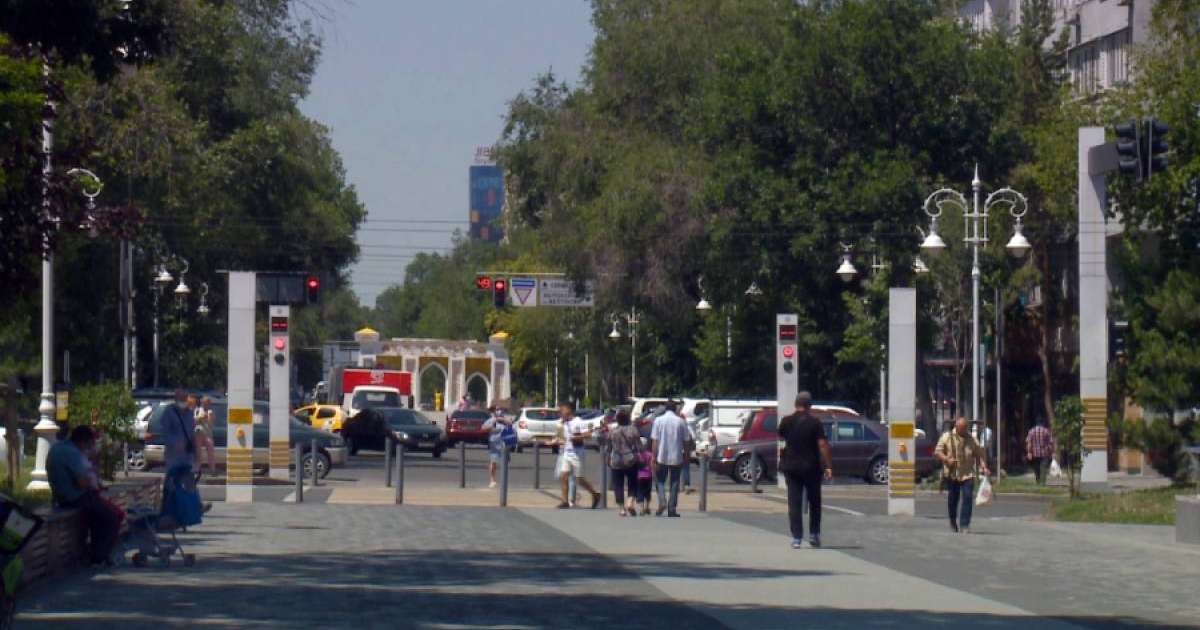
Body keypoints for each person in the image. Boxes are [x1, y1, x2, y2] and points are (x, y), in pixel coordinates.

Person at [47, 426, 121, 566]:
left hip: (61, 497)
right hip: (75, 498)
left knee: (98, 516)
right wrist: (93, 479)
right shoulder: (72, 453)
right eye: (89, 444)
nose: (89, 448)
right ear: (83, 442)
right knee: (113, 517)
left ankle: (94, 553)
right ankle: (99, 557)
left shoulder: (58, 447)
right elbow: (82, 482)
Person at [778, 392, 833, 549]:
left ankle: (796, 538)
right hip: (811, 467)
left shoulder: (786, 421)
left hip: (791, 466)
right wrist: (828, 465)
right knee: (814, 501)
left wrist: (784, 457)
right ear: (809, 406)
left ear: (796, 404)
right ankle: (814, 534)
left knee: (794, 502)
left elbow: (781, 441)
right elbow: (822, 444)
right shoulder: (815, 423)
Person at [935, 417, 991, 534]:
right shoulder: (947, 437)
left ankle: (965, 524)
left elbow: (979, 455)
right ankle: (952, 522)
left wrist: (984, 467)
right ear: (956, 427)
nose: (964, 431)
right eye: (961, 428)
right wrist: (947, 459)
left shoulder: (972, 439)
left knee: (968, 497)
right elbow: (938, 451)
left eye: (965, 428)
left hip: (967, 474)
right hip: (953, 473)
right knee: (953, 499)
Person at [553, 402, 601, 509]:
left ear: (569, 410)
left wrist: (577, 437)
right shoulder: (562, 423)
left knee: (578, 478)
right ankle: (565, 501)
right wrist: (555, 441)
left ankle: (595, 494)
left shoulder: (578, 421)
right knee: (563, 476)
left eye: (562, 410)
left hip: (577, 453)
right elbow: (560, 437)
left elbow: (588, 434)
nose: (560, 412)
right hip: (567, 452)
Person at [650, 401, 689, 517]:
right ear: (675, 409)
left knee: (659, 480)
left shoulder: (658, 421)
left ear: (665, 409)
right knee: (675, 482)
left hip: (662, 456)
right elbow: (686, 441)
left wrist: (653, 456)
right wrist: (686, 455)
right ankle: (672, 508)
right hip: (677, 456)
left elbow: (655, 441)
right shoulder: (681, 422)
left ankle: (662, 500)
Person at [605, 410, 642, 517]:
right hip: (630, 459)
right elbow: (639, 446)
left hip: (616, 459)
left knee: (618, 484)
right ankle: (630, 502)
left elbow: (609, 448)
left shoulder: (613, 431)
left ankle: (622, 509)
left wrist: (608, 458)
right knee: (633, 483)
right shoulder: (633, 430)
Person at [162, 389, 196, 473]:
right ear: (176, 399)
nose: (183, 401)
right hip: (173, 455)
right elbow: (165, 431)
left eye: (185, 398)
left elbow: (192, 432)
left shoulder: (190, 413)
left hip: (187, 455)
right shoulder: (169, 411)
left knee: (187, 478)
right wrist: (175, 443)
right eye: (181, 398)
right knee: (174, 477)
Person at [482, 406, 513, 489]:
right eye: (497, 409)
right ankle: (492, 480)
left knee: (505, 463)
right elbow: (483, 428)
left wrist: (503, 420)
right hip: (494, 445)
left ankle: (504, 480)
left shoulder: (506, 420)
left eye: (501, 409)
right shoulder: (491, 420)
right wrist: (492, 425)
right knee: (493, 462)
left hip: (505, 444)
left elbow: (511, 425)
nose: (499, 411)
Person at [1025, 420, 1056, 486]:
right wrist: (1052, 452)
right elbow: (1050, 442)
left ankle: (1038, 481)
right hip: (1045, 453)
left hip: (1034, 453)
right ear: (1043, 423)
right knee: (1043, 468)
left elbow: (1029, 442)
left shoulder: (1031, 431)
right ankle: (1042, 483)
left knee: (1036, 468)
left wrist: (1029, 452)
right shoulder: (1046, 431)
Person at [195, 396, 217, 477]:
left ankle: (212, 470)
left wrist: (209, 418)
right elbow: (194, 421)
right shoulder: (197, 410)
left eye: (207, 403)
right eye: (204, 403)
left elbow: (211, 424)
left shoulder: (211, 412)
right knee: (198, 452)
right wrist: (200, 418)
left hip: (208, 434)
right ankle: (197, 469)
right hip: (198, 433)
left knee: (211, 452)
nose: (205, 404)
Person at [635, 438, 654, 516]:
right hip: (648, 475)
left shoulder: (637, 455)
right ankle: (647, 507)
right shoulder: (650, 454)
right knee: (648, 492)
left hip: (639, 476)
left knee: (640, 492)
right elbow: (652, 465)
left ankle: (641, 509)